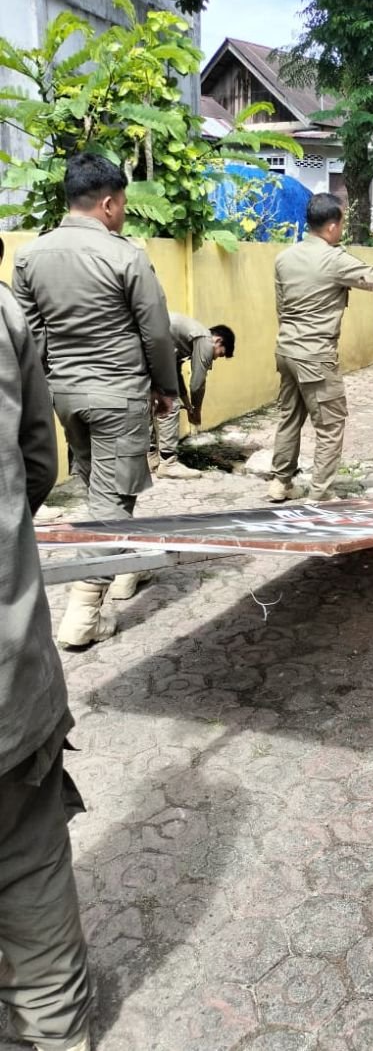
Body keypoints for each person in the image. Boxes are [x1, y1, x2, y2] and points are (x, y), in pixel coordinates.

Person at [13, 152, 177, 647]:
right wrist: (167, 388)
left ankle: (125, 569)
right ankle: (84, 612)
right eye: (123, 203)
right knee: (111, 499)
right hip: (118, 395)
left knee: (98, 488)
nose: (123, 211)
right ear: (108, 203)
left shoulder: (29, 256)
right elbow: (156, 334)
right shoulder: (125, 256)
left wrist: (48, 390)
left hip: (64, 395)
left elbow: (29, 335)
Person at [0, 268, 92, 1051]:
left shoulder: (32, 274)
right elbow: (36, 468)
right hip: (9, 690)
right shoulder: (4, 310)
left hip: (79, 404)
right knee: (28, 866)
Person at [269, 192, 373, 502]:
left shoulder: (285, 258)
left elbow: (282, 307)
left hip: (286, 350)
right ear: (332, 227)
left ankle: (281, 483)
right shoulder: (333, 259)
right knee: (331, 424)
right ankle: (320, 493)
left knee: (290, 417)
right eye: (343, 222)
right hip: (315, 355)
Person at [150, 315, 236, 480]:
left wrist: (188, 404)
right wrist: (197, 412)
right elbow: (197, 383)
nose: (215, 358)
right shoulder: (204, 339)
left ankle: (150, 458)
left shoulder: (183, 337)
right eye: (219, 353)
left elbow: (174, 372)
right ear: (217, 340)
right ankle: (168, 464)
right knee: (169, 405)